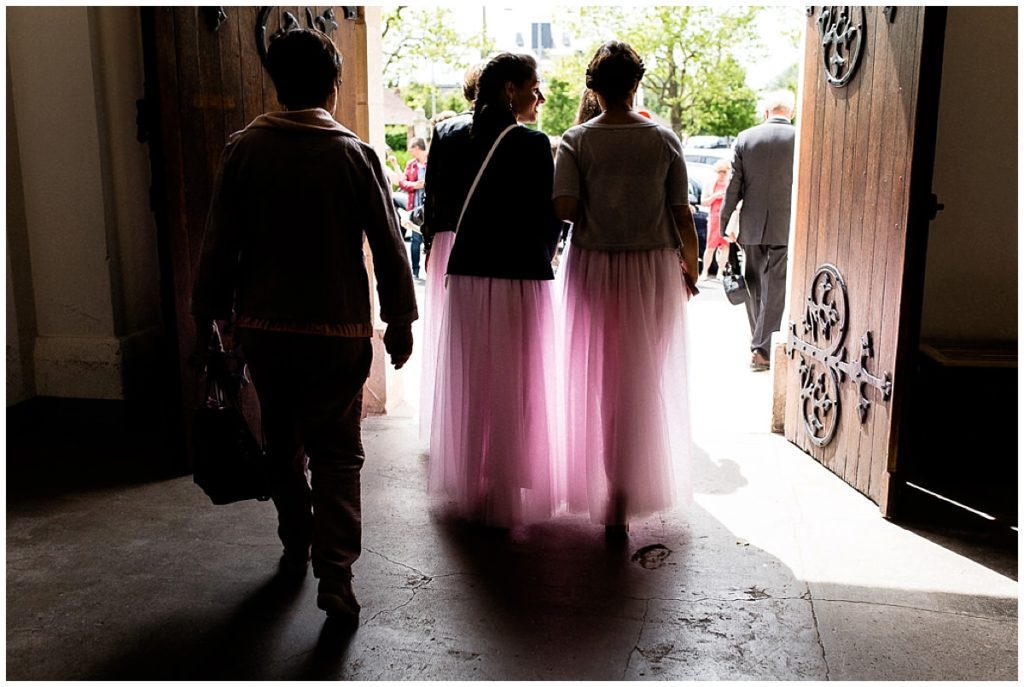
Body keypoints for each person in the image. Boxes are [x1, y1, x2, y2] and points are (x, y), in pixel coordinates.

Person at [190, 28, 417, 625]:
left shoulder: (244, 149)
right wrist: (399, 320)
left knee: (283, 445)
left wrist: (203, 320)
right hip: (338, 335)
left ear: (276, 84)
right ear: (334, 86)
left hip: (265, 331)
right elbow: (391, 250)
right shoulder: (353, 154)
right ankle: (336, 574)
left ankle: (297, 539)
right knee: (340, 453)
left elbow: (217, 246)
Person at [553, 41, 698, 536]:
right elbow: (682, 214)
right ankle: (630, 487)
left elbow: (565, 209)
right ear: (636, 84)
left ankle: (611, 492)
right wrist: (692, 268)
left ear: (593, 89)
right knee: (642, 375)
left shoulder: (576, 140)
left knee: (602, 376)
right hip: (653, 265)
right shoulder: (663, 139)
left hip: (595, 264)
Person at [429, 53, 562, 528]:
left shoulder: (450, 135)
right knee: (515, 381)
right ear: (510, 89)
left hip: (465, 273)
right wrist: (545, 253)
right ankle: (506, 487)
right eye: (534, 86)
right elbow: (548, 220)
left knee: (473, 376)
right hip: (517, 275)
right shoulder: (531, 143)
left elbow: (438, 203)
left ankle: (471, 478)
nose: (539, 96)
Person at [418, 63, 481, 443]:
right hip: (480, 235)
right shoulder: (505, 134)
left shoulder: (445, 130)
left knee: (446, 334)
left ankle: (447, 424)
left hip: (446, 235)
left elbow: (431, 190)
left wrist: (428, 242)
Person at [719, 90, 796, 372]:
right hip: (784, 225)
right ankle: (761, 347)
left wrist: (725, 224)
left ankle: (759, 346)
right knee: (775, 286)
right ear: (791, 113)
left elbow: (733, 186)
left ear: (766, 113)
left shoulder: (745, 138)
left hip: (750, 227)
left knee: (754, 285)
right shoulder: (800, 138)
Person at [388, 137, 428, 279]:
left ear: (417, 148)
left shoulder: (433, 161)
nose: (410, 153)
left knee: (429, 240)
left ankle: (431, 271)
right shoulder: (411, 164)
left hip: (429, 208)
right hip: (415, 208)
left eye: (412, 150)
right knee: (416, 239)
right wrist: (415, 185)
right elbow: (403, 183)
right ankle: (415, 271)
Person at [698, 158, 732, 281]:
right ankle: (705, 272)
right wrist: (714, 196)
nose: (722, 174)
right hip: (713, 218)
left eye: (724, 171)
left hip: (726, 218)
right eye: (719, 171)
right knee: (710, 246)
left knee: (725, 246)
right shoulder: (710, 184)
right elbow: (703, 202)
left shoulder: (730, 185)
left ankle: (720, 272)